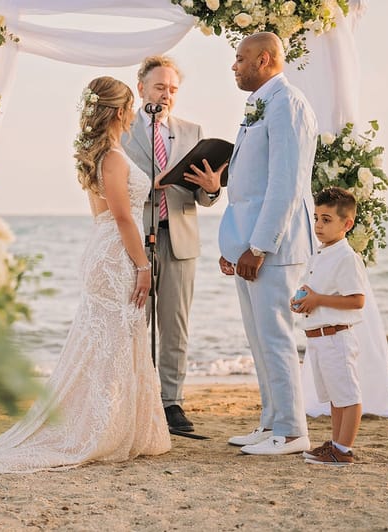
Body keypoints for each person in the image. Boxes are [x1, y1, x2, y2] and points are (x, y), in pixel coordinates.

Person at [0, 76, 171, 476]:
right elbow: (122, 216)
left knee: (111, 337)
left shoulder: (103, 155)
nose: (133, 114)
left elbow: (109, 213)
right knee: (113, 337)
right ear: (118, 112)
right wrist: (144, 266)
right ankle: (98, 429)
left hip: (104, 247)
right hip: (115, 254)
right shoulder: (111, 158)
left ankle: (120, 424)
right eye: (130, 107)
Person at [217, 32, 317, 455]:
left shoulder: (288, 103)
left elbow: (285, 185)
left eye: (240, 59)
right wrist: (235, 245)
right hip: (250, 244)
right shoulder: (261, 105)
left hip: (274, 248)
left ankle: (292, 431)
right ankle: (271, 422)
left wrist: (258, 247)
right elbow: (249, 186)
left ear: (265, 59)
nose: (234, 66)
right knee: (259, 339)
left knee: (276, 337)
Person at [121, 56, 222, 433]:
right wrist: (153, 185)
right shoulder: (121, 130)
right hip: (134, 239)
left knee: (175, 326)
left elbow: (202, 197)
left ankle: (171, 403)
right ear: (141, 88)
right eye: (160, 87)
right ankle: (136, 398)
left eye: (173, 89)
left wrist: (212, 191)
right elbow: (108, 185)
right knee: (134, 322)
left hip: (179, 238)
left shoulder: (192, 131)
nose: (167, 95)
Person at [291, 187, 366, 466]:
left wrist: (318, 299)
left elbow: (357, 300)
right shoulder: (321, 253)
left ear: (347, 224)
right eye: (316, 218)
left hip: (337, 337)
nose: (319, 225)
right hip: (318, 338)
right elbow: (317, 291)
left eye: (326, 219)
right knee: (336, 396)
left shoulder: (347, 258)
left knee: (348, 395)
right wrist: (302, 300)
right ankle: (335, 444)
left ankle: (343, 450)